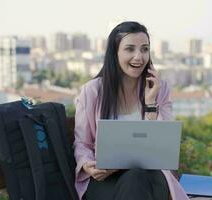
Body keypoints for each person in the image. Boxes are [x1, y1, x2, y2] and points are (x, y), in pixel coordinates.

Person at [73, 21, 188, 200]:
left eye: (144, 49)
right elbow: (82, 143)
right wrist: (88, 165)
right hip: (106, 180)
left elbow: (163, 148)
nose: (139, 57)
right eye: (130, 49)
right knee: (133, 184)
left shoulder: (160, 89)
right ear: (115, 52)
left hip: (150, 178)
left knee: (136, 177)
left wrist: (150, 103)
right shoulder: (92, 91)